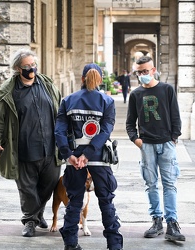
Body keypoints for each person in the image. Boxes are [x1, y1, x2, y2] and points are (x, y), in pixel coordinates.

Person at [0, 48, 62, 237]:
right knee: (27, 188)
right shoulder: (8, 90)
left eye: (33, 65)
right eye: (27, 66)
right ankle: (30, 220)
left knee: (49, 183)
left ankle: (38, 213)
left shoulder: (47, 84)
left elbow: (60, 109)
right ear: (18, 69)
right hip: (24, 148)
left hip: (50, 148)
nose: (32, 68)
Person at [55, 63, 123, 250]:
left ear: (82, 78)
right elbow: (105, 131)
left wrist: (69, 155)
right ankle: (114, 244)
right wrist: (89, 153)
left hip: (74, 161)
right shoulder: (107, 102)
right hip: (99, 159)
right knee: (106, 201)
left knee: (74, 201)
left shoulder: (68, 101)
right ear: (100, 79)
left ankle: (70, 244)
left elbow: (59, 131)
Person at [125, 56, 185, 242]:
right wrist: (136, 140)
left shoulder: (167, 89)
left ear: (153, 70)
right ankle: (156, 220)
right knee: (150, 184)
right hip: (147, 145)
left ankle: (172, 223)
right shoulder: (136, 95)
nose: (142, 75)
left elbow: (175, 115)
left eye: (145, 71)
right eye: (139, 72)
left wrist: (174, 138)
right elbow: (130, 123)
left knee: (169, 184)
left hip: (166, 143)